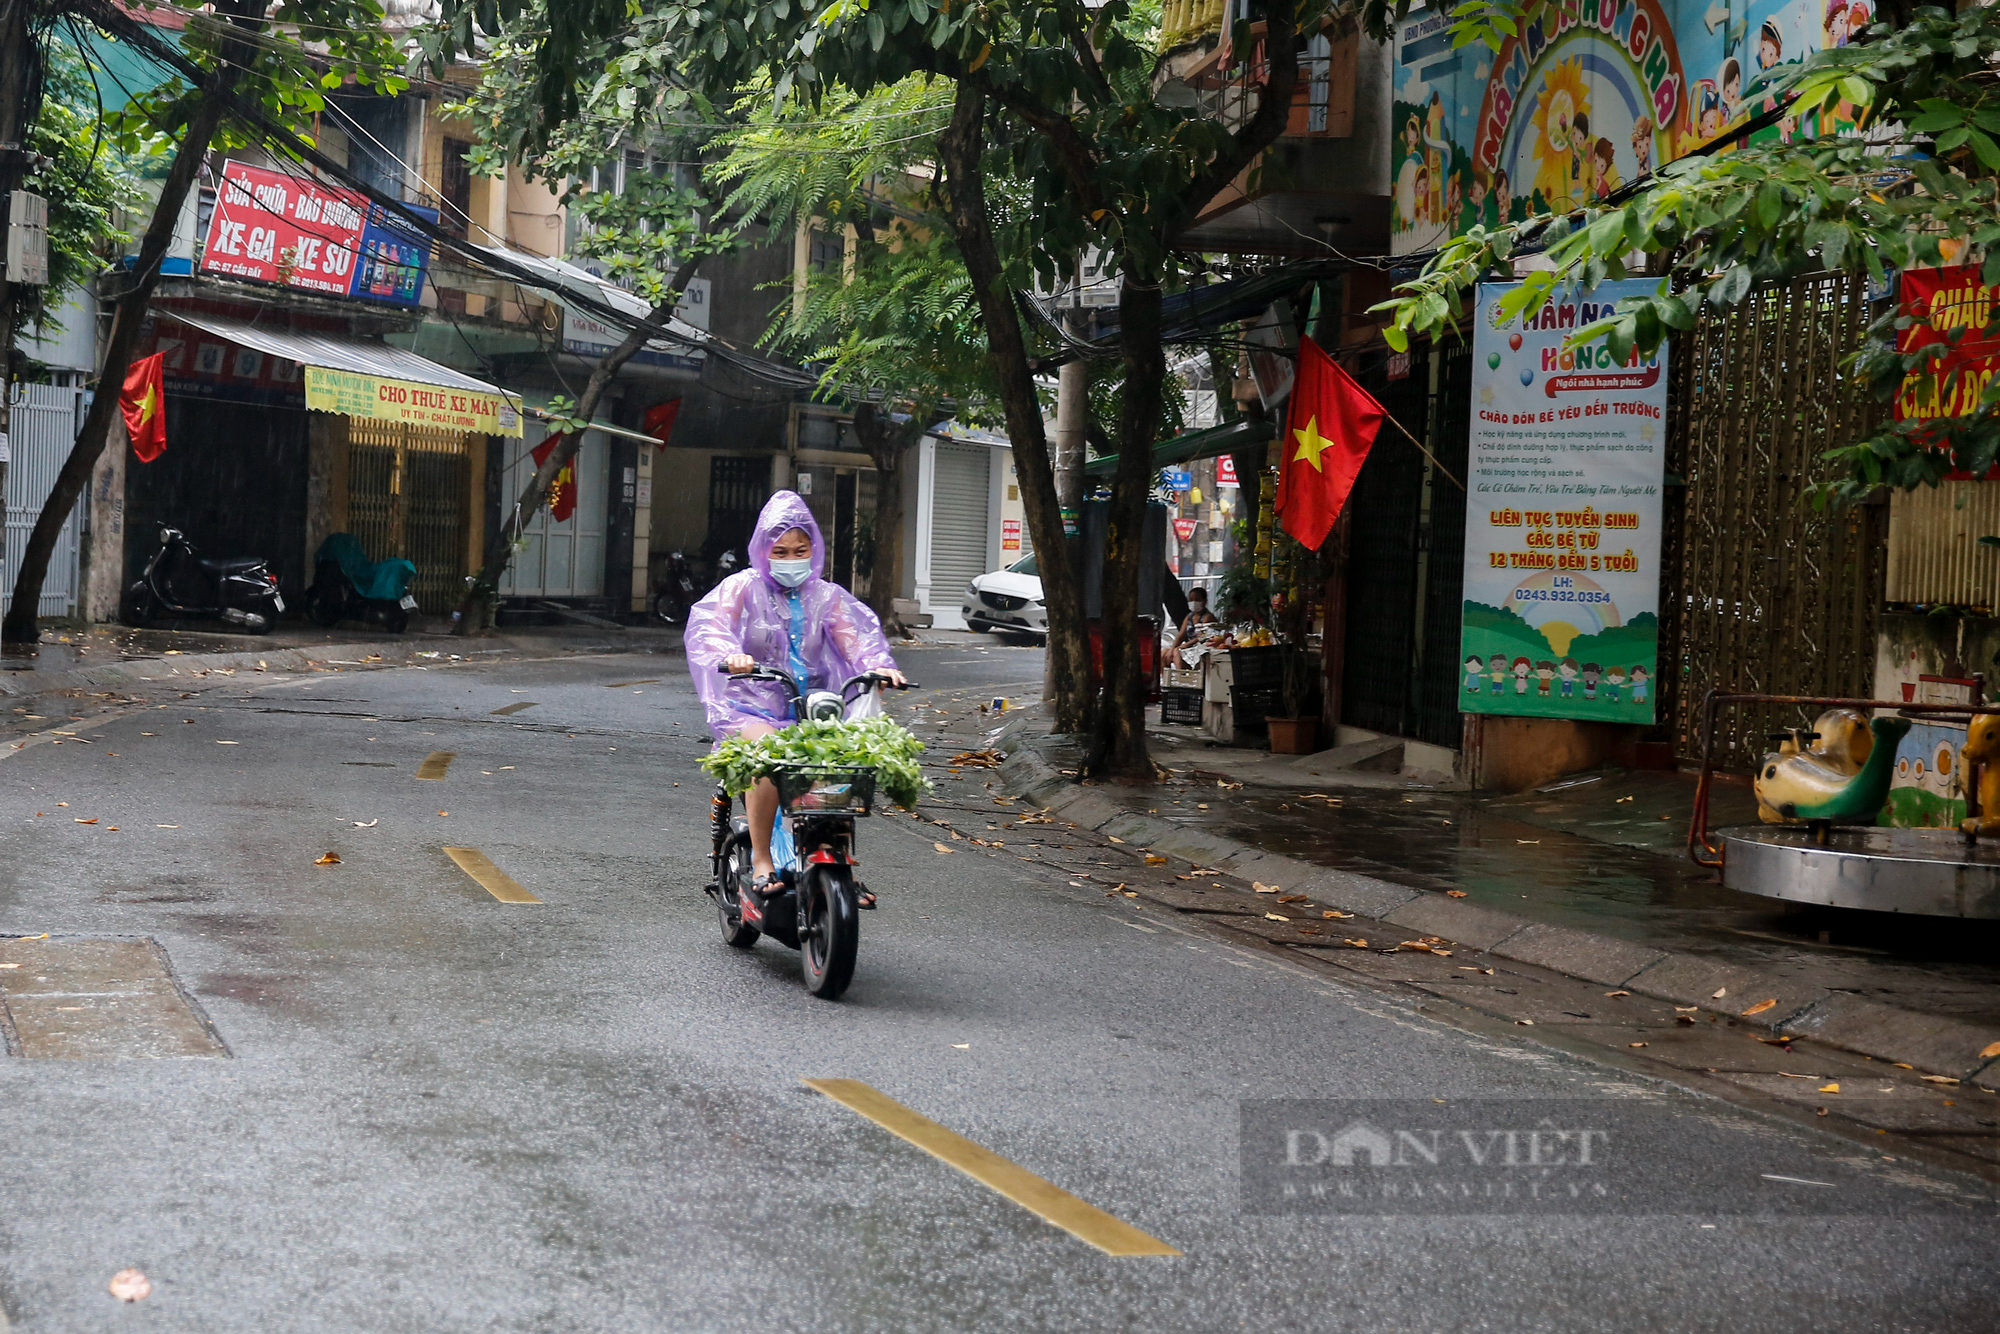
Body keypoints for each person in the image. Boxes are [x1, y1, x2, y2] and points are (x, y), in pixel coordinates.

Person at [686, 491, 905, 915]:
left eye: (799, 550)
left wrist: (879, 666)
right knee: (772, 757)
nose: (790, 558)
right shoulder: (742, 587)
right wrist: (731, 655)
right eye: (780, 551)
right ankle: (764, 859)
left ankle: (837, 858)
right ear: (763, 551)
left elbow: (856, 640)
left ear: (814, 550)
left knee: (841, 763)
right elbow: (710, 627)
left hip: (814, 709)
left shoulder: (828, 597)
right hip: (749, 708)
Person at [1170, 585, 1220, 657]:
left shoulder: (1207, 617)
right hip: (1188, 648)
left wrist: (1184, 646)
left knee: (1177, 653)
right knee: (1164, 654)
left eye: (1197, 600)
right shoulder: (1189, 616)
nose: (1193, 602)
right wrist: (1172, 648)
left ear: (1204, 601)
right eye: (1191, 599)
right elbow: (1181, 635)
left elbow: (1201, 637)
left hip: (1201, 649)